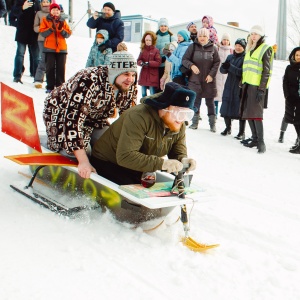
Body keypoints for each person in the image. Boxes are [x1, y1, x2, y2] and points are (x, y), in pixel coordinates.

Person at [43, 50, 138, 179]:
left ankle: (103, 171)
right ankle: (59, 152)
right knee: (83, 152)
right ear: (114, 72)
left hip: (94, 117)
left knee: (109, 146)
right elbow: (72, 121)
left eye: (133, 74)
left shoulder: (128, 85)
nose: (130, 79)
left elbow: (129, 119)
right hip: (61, 114)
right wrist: (83, 161)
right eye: (126, 74)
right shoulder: (88, 80)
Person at [90, 82, 197, 185]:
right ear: (164, 108)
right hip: (109, 162)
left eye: (187, 114)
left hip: (138, 166)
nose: (182, 119)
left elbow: (177, 150)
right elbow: (125, 156)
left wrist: (183, 159)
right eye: (179, 113)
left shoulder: (178, 123)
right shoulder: (138, 117)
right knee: (135, 195)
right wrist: (162, 164)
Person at [240, 25, 274, 154]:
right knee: (248, 112)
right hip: (247, 84)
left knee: (257, 114)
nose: (253, 36)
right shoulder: (250, 49)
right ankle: (254, 139)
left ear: (261, 36)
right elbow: (246, 68)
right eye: (252, 34)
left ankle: (261, 142)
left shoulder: (265, 49)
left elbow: (267, 71)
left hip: (257, 86)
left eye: (256, 34)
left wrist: (262, 89)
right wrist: (241, 82)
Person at [182, 27, 220, 131]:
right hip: (195, 80)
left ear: (208, 37)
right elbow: (184, 60)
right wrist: (191, 66)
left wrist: (211, 75)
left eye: (204, 36)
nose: (202, 38)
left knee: (210, 103)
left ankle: (212, 124)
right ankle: (195, 123)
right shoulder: (192, 47)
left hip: (209, 81)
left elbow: (217, 62)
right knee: (195, 102)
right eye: (200, 36)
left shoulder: (213, 48)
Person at [39, 3, 72, 93]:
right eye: (54, 10)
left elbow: (68, 34)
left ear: (59, 11)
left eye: (57, 10)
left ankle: (60, 86)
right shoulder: (45, 20)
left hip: (61, 48)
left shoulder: (63, 21)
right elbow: (42, 33)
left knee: (61, 68)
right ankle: (50, 86)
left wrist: (61, 30)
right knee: (50, 68)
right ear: (50, 11)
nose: (56, 11)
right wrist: (51, 29)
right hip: (49, 48)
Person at [219, 38, 247, 138]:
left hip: (239, 86)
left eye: (240, 46)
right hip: (229, 85)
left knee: (239, 109)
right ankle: (228, 128)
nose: (238, 48)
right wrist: (224, 67)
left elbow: (241, 72)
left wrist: (230, 66)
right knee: (226, 106)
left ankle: (241, 132)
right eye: (237, 45)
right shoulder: (230, 56)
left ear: (244, 48)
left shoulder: (245, 58)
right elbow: (222, 71)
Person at [12, 0, 40, 84]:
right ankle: (17, 76)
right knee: (20, 54)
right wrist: (22, 8)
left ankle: (37, 77)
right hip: (22, 32)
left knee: (36, 57)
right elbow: (13, 13)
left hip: (34, 33)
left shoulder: (37, 2)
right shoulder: (20, 1)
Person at [282, 47, 300, 154]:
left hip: (299, 99)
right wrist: (287, 95)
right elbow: (285, 82)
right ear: (293, 56)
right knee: (294, 121)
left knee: (299, 121)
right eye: (297, 55)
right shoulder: (289, 68)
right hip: (291, 99)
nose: (298, 57)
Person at [33, 0, 51, 89]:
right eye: (44, 2)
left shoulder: (53, 13)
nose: (46, 4)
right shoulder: (39, 13)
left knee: (51, 60)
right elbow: (35, 27)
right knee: (43, 59)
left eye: (47, 2)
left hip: (52, 40)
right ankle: (38, 79)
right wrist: (42, 28)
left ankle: (51, 80)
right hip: (42, 39)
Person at [137, 30, 161, 97]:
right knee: (143, 93)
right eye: (146, 40)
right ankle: (143, 105)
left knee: (152, 93)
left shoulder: (156, 50)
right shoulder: (143, 50)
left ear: (152, 41)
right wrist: (141, 63)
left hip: (152, 76)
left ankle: (151, 106)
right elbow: (138, 60)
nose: (148, 42)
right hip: (144, 75)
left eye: (149, 40)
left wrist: (149, 63)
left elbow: (158, 62)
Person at [214, 32, 233, 118]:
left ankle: (225, 113)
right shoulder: (217, 48)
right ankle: (215, 113)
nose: (225, 41)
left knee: (226, 95)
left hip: (226, 76)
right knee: (216, 95)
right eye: (224, 39)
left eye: (227, 40)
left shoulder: (231, 50)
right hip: (217, 74)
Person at [155, 18, 176, 92]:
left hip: (165, 64)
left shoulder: (171, 37)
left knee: (163, 82)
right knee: (156, 83)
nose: (163, 28)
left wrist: (166, 56)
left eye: (165, 26)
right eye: (161, 26)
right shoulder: (155, 36)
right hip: (156, 63)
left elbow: (174, 49)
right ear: (159, 26)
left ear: (168, 27)